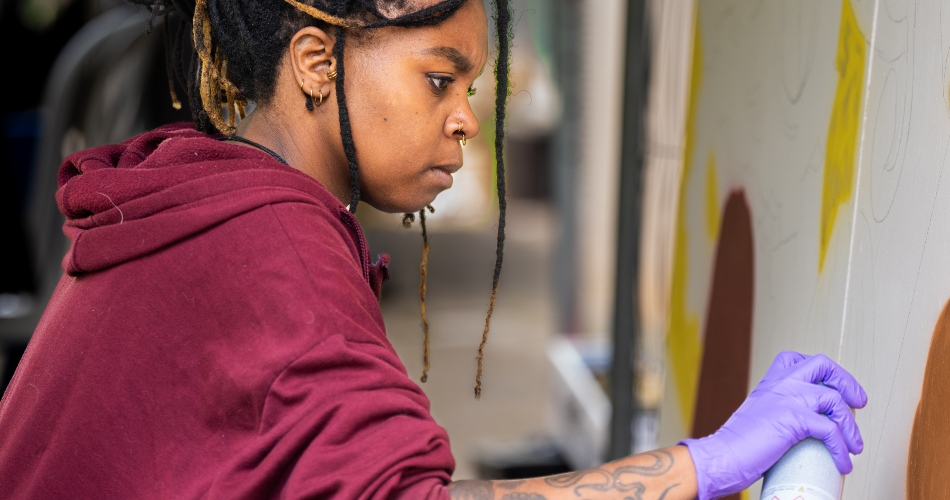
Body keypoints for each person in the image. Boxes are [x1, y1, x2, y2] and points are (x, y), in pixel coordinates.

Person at [0, 0, 867, 498]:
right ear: (314, 62)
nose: (465, 117)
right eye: (438, 78)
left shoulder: (216, 197)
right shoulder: (274, 252)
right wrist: (699, 466)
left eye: (473, 88)